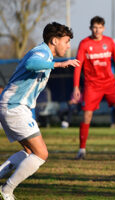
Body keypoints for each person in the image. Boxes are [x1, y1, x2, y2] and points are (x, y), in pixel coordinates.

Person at [0, 22, 79, 200]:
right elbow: (31, 63)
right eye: (66, 41)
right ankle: (6, 191)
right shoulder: (42, 52)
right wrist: (60, 64)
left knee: (29, 152)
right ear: (54, 40)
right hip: (14, 107)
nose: (68, 46)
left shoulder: (45, 54)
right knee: (42, 153)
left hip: (15, 107)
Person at [73, 16, 115, 160]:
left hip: (110, 84)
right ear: (90, 28)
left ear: (103, 28)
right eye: (94, 27)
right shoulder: (84, 44)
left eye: (100, 27)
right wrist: (76, 86)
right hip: (92, 85)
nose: (97, 30)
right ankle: (82, 149)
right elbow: (78, 65)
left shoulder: (109, 42)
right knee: (87, 115)